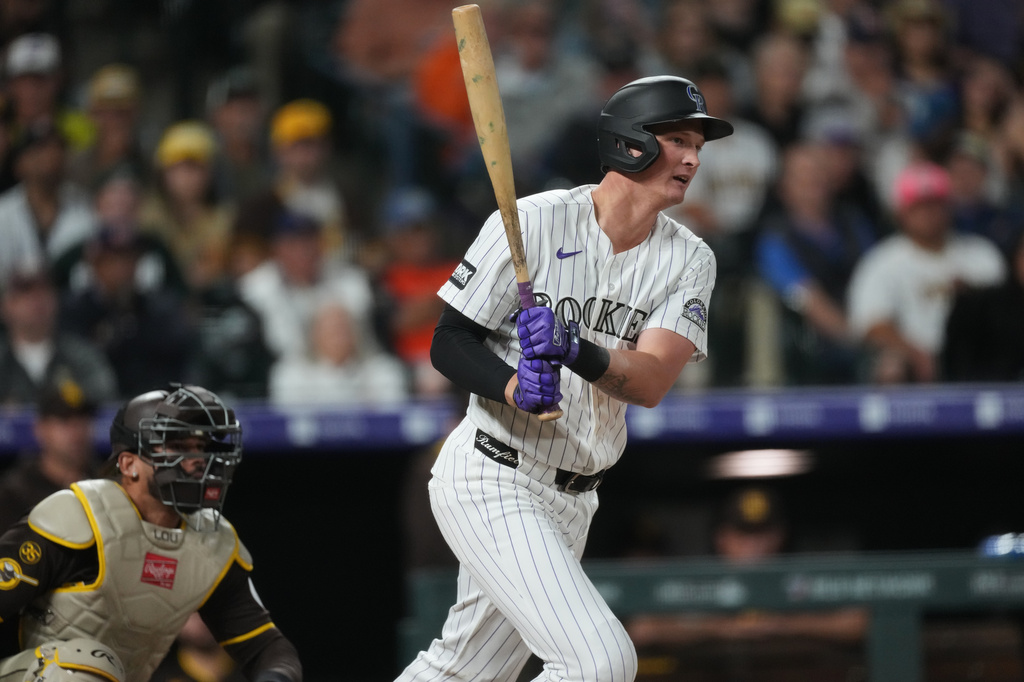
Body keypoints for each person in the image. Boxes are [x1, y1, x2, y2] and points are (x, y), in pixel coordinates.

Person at [396, 75, 727, 682]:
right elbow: (451, 340)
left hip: (575, 497)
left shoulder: (690, 258)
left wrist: (574, 349)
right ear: (630, 142)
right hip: (494, 473)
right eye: (679, 140)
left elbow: (651, 382)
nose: (693, 159)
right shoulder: (533, 220)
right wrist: (512, 386)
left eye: (698, 146)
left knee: (463, 672)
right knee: (600, 662)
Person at [0, 384, 302, 682]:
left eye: (200, 447)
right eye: (179, 447)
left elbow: (268, 647)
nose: (197, 459)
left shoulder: (211, 543)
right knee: (79, 665)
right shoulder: (78, 518)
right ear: (128, 463)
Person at [847, 160, 1007, 383]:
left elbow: (1009, 314)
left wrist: (973, 296)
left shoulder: (981, 254)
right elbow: (872, 325)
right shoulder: (882, 261)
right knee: (891, 364)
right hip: (915, 362)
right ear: (901, 213)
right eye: (919, 207)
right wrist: (915, 353)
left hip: (980, 358)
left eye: (936, 204)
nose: (929, 214)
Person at [0, 262, 117, 407]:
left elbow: (104, 404)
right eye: (25, 292)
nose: (37, 300)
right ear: (5, 305)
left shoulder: (83, 356)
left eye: (45, 290)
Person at [0, 378, 97, 532]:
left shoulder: (105, 482)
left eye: (82, 421)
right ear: (40, 429)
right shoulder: (15, 494)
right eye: (64, 421)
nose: (76, 432)